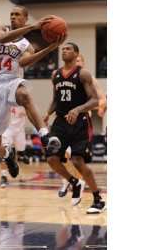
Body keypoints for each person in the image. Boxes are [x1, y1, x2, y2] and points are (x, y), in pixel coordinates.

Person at [0, 10, 65, 180]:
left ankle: (45, 136)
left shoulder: (26, 44)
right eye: (11, 14)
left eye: (17, 14)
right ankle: (7, 156)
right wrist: (33, 26)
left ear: (25, 18)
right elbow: (3, 38)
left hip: (11, 80)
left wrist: (51, 47)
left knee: (24, 94)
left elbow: (23, 62)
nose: (12, 17)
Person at [44, 42, 106, 214]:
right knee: (51, 158)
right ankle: (74, 182)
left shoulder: (83, 74)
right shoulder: (55, 74)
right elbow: (56, 99)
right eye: (62, 49)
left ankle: (97, 199)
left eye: (68, 49)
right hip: (60, 123)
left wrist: (78, 109)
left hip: (80, 122)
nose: (64, 51)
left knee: (78, 161)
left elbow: (95, 100)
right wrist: (48, 113)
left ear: (76, 53)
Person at [56, 53, 107, 197]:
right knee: (61, 154)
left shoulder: (89, 79)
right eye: (75, 60)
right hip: (64, 122)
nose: (77, 63)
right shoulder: (62, 76)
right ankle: (67, 180)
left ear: (83, 63)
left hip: (81, 123)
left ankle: (77, 182)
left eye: (79, 61)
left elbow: (101, 99)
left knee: (77, 157)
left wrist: (101, 108)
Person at [0, 106, 28, 187]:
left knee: (20, 154)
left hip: (20, 131)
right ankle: (3, 176)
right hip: (8, 129)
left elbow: (30, 111)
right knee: (5, 152)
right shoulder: (6, 99)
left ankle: (19, 173)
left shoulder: (23, 100)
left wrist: (26, 112)